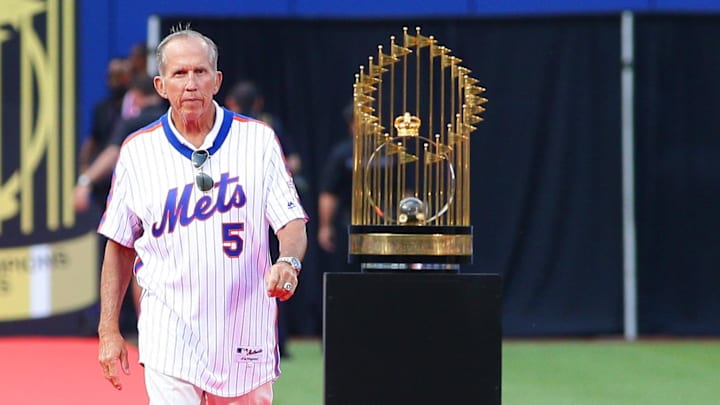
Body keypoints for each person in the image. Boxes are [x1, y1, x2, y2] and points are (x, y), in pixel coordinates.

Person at [97, 28, 308, 404]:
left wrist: (288, 262)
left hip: (245, 327)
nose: (191, 83)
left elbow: (291, 221)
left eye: (200, 72)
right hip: (169, 331)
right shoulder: (138, 151)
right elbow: (120, 243)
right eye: (179, 74)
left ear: (217, 80)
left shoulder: (258, 141)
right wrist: (108, 330)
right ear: (161, 85)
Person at [75, 74, 168, 320]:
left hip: (145, 201)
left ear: (135, 96)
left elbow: (112, 153)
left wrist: (85, 181)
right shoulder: (173, 120)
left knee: (142, 262)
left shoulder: (133, 122)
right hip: (178, 202)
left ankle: (145, 324)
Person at [224, 80, 304, 358]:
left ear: (231, 103)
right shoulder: (270, 125)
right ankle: (276, 341)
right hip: (271, 214)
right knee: (277, 271)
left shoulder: (229, 128)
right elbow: (293, 162)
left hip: (235, 214)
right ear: (258, 102)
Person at [318, 103, 360, 273]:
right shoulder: (342, 154)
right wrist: (325, 226)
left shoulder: (388, 152)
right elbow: (329, 193)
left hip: (386, 223)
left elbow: (405, 191)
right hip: (348, 224)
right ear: (351, 125)